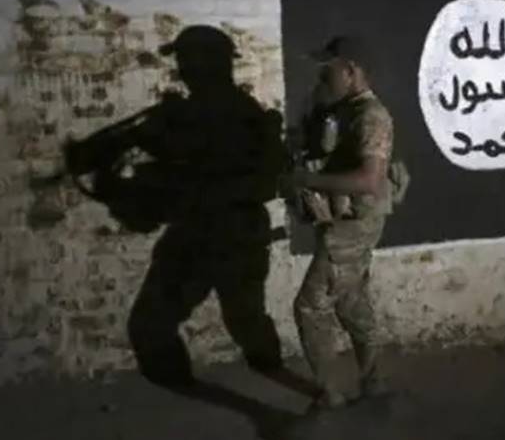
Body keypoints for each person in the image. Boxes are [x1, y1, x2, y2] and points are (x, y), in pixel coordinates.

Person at [118, 25, 287, 386]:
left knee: (234, 320)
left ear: (205, 63)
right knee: (240, 320)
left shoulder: (219, 111)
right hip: (213, 232)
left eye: (185, 60)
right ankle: (275, 375)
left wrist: (148, 142)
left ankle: (280, 378)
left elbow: (186, 158)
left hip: (221, 234)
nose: (180, 68)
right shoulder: (217, 108)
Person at [285, 35, 395, 411]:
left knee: (309, 308)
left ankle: (329, 396)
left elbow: (369, 180)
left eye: (328, 70)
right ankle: (375, 381)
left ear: (350, 70)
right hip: (344, 223)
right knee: (350, 300)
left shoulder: (371, 115)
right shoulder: (345, 109)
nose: (322, 77)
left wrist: (307, 179)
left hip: (351, 229)